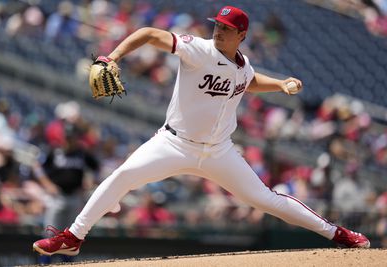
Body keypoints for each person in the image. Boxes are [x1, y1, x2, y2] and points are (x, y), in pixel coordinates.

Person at [33, 6, 370, 256]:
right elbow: (149, 34)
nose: (219, 31)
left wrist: (280, 84)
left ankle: (338, 233)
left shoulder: (243, 63)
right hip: (174, 144)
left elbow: (248, 80)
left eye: (226, 28)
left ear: (241, 36)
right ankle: (73, 237)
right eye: (218, 25)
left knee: (267, 199)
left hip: (219, 152)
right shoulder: (198, 49)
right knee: (122, 176)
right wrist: (112, 56)